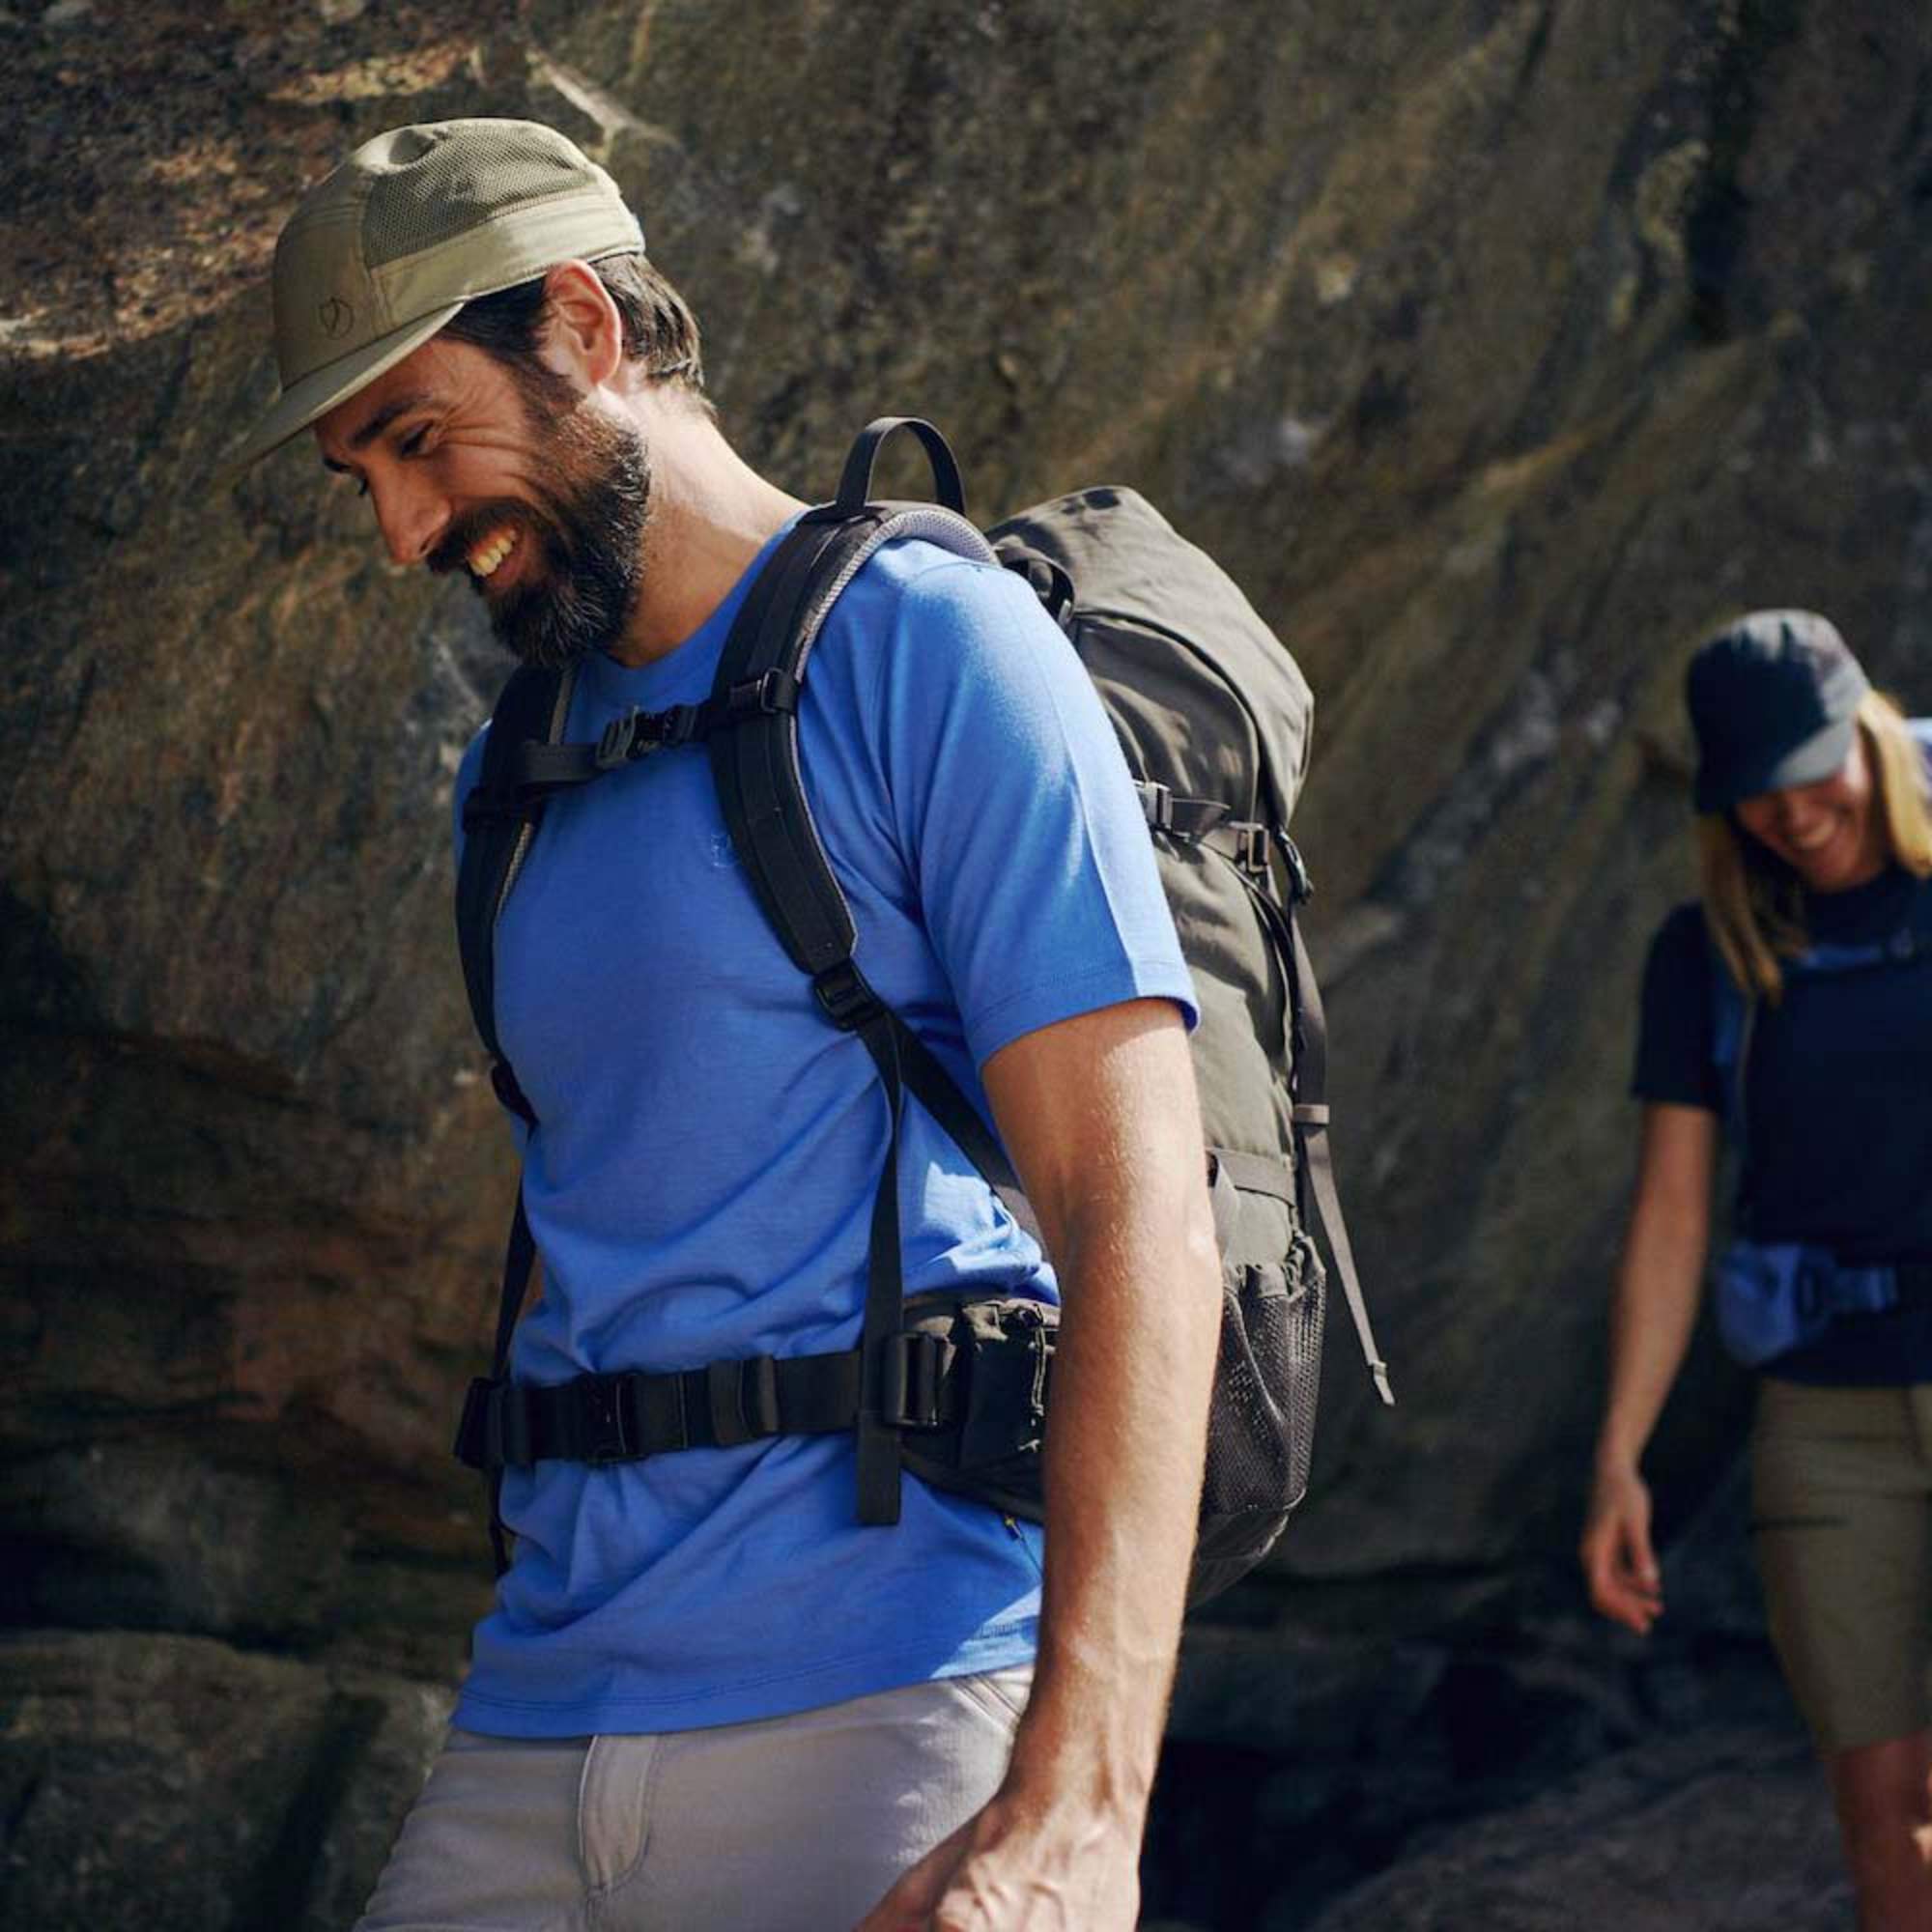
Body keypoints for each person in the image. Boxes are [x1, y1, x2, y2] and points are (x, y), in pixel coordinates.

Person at [227, 120, 1222, 1929]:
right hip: (536, 1721)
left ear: (583, 327)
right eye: (357, 473)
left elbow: (1139, 1208)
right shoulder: (511, 778)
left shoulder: (930, 647)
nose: (399, 530)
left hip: (893, 1705)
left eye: (417, 440)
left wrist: (1082, 1804)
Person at [1580, 609, 1932, 1930]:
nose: (1789, 813)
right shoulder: (1708, 955)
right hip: (1826, 1428)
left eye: (1809, 769)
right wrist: (1621, 1454)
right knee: (1883, 1806)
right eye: (1754, 791)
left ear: (1869, 728)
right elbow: (1673, 1212)